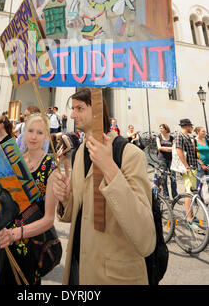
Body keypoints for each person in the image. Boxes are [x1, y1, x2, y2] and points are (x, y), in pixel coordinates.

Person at [52, 87, 155, 285]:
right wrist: (66, 198)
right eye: (73, 109)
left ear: (98, 109)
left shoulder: (130, 155)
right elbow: (80, 211)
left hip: (112, 277)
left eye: (80, 108)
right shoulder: (80, 153)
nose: (73, 115)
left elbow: (145, 237)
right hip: (78, 269)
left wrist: (109, 168)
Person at [0, 113, 58, 285]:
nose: (34, 137)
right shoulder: (13, 161)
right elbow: (4, 211)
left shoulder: (51, 168)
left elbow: (48, 219)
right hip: (2, 245)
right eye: (30, 131)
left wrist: (14, 235)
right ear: (23, 132)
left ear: (46, 136)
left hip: (29, 249)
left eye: (40, 132)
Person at [174, 118, 198, 227]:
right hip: (188, 168)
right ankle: (189, 219)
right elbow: (179, 151)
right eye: (191, 126)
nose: (192, 128)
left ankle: (191, 214)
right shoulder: (180, 135)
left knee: (188, 191)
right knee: (189, 193)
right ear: (187, 126)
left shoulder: (188, 137)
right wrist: (187, 166)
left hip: (192, 166)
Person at [156, 124, 177, 199]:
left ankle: (175, 195)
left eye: (162, 128)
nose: (160, 129)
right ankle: (166, 195)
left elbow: (174, 148)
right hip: (162, 159)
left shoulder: (171, 137)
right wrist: (169, 148)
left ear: (166, 129)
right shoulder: (158, 137)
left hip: (171, 159)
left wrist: (163, 148)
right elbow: (159, 148)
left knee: (173, 178)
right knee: (163, 178)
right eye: (160, 128)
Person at [194, 126, 209, 192]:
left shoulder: (206, 140)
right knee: (200, 182)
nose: (205, 133)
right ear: (198, 132)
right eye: (203, 131)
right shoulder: (194, 141)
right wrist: (202, 164)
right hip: (200, 165)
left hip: (208, 164)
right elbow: (195, 154)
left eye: (205, 131)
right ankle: (198, 198)